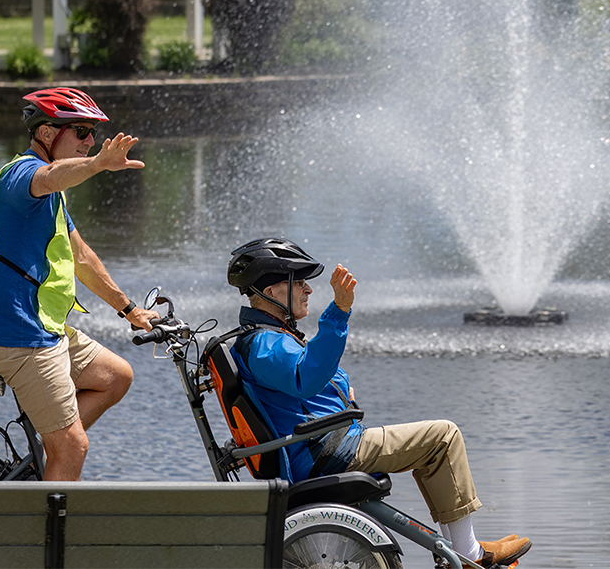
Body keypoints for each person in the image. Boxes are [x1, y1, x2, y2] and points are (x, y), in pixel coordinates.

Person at [225, 237, 532, 568]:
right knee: (443, 437)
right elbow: (305, 376)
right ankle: (469, 554)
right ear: (271, 291)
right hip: (327, 453)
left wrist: (340, 399)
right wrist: (339, 311)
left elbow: (298, 387)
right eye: (298, 282)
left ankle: (458, 551)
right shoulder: (264, 343)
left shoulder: (264, 338)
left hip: (319, 448)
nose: (308, 290)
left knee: (434, 443)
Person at [0, 87, 159, 481]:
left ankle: (48, 459)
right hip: (13, 335)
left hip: (39, 326)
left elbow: (81, 257)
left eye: (92, 134)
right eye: (81, 132)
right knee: (75, 446)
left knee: (117, 377)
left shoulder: (53, 198)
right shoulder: (22, 177)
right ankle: (47, 535)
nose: (90, 141)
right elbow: (49, 176)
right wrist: (97, 164)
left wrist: (129, 310)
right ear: (46, 133)